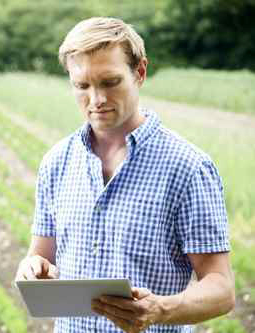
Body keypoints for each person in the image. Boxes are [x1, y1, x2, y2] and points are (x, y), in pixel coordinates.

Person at [14, 17, 235, 333]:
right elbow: (40, 255)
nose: (96, 100)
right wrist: (32, 269)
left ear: (140, 72)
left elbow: (222, 289)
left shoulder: (188, 167)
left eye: (109, 82)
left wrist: (159, 309)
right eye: (82, 86)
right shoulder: (57, 162)